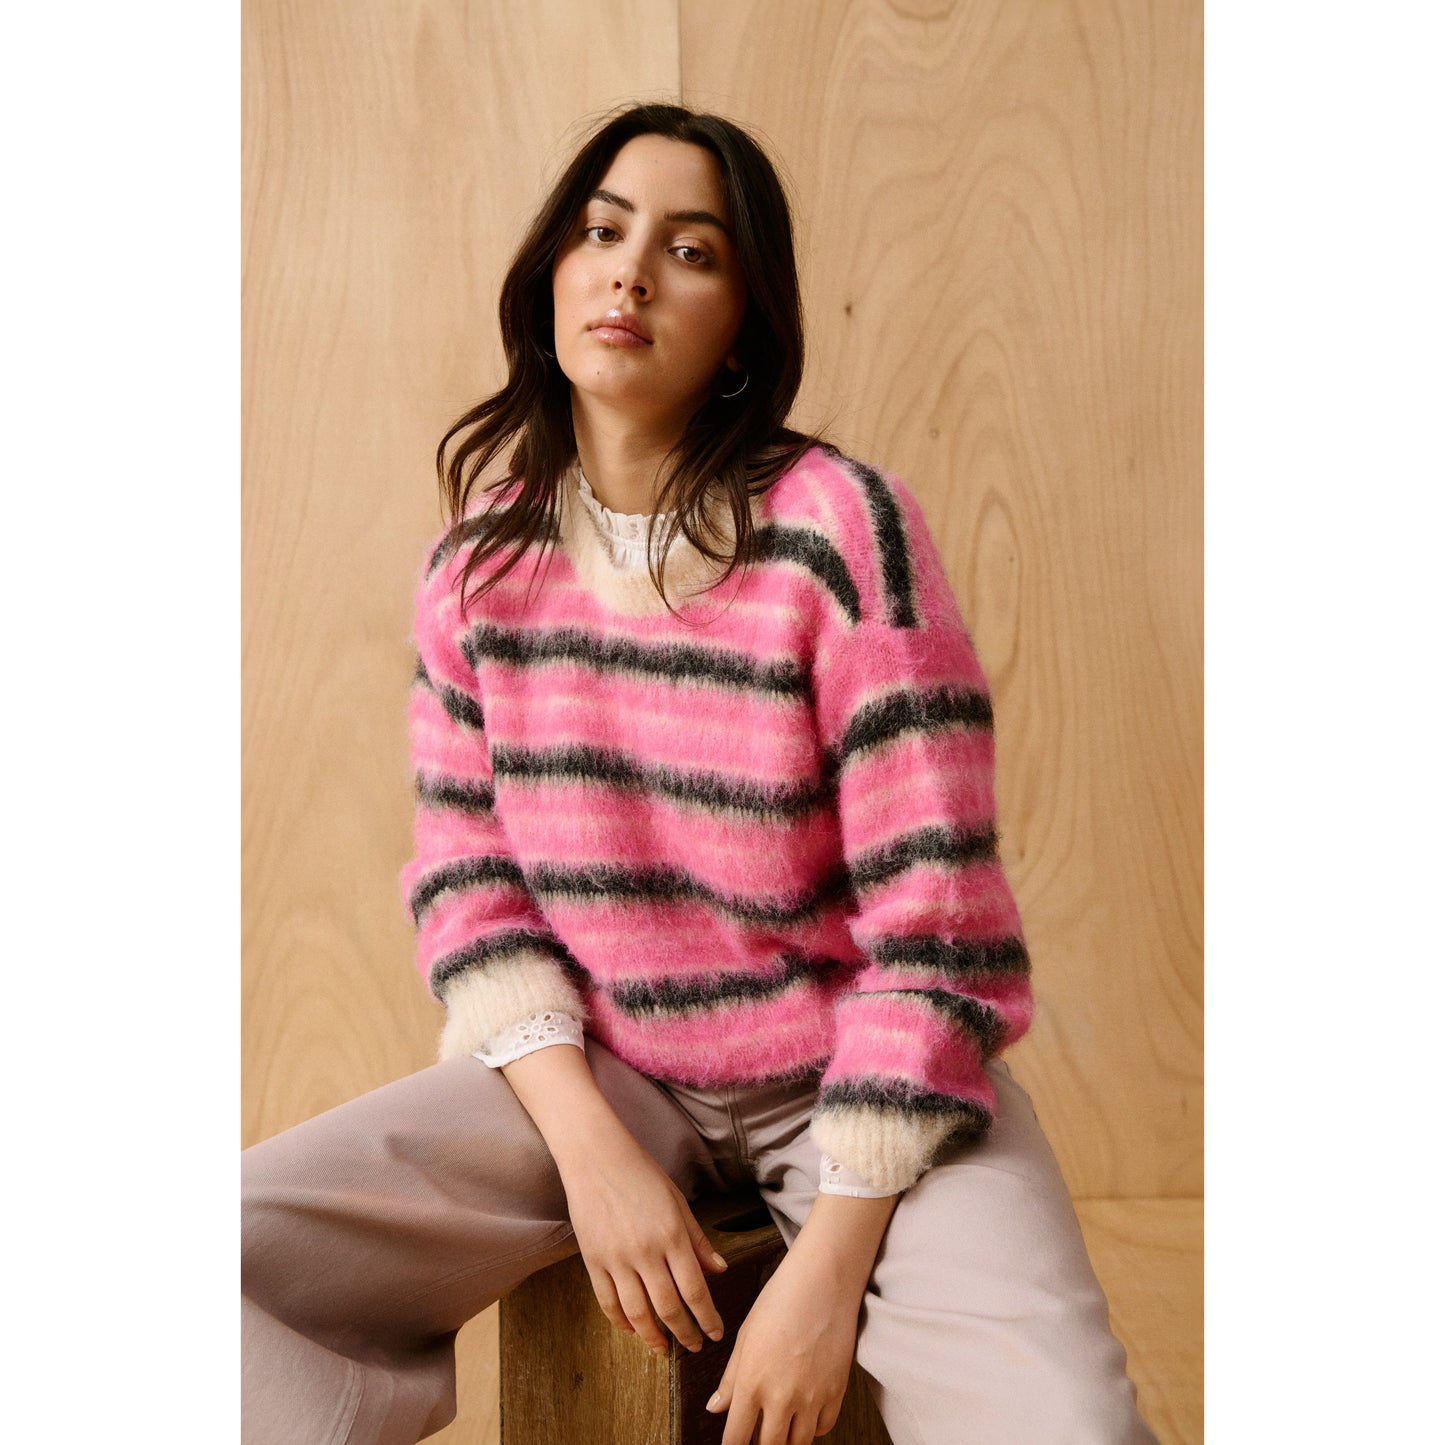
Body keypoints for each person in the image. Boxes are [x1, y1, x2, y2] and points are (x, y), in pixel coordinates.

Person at [242, 102, 1157, 1445]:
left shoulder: (842, 533)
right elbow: (470, 890)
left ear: (742, 325)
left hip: (858, 1072)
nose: (629, 273)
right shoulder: (479, 567)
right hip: (604, 1068)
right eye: (602, 232)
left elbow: (940, 935)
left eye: (689, 251)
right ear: (551, 275)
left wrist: (820, 1281)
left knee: (1065, 1426)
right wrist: (591, 1156)